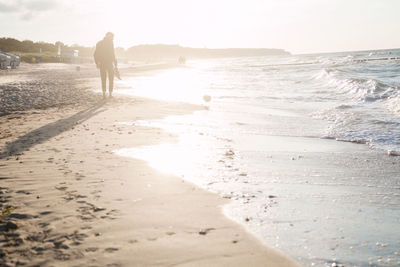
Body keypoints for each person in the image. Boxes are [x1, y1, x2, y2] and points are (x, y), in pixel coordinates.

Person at [94, 32, 117, 98]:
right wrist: (97, 62)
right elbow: (96, 54)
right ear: (107, 36)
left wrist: (115, 64)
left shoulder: (110, 43)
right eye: (111, 37)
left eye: (112, 37)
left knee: (109, 78)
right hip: (103, 63)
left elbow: (113, 54)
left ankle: (109, 93)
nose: (112, 38)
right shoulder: (100, 43)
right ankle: (106, 93)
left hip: (107, 63)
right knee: (106, 78)